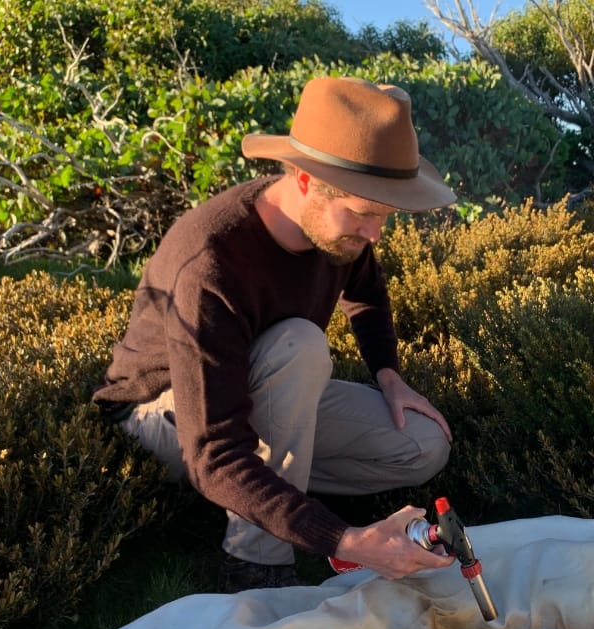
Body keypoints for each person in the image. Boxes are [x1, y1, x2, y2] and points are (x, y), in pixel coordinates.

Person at [93, 76, 457, 591]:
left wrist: (389, 376)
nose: (375, 233)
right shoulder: (213, 260)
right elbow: (214, 451)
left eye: (385, 216)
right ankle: (255, 562)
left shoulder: (340, 236)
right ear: (306, 180)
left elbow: (367, 295)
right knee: (300, 346)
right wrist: (348, 541)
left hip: (258, 401)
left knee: (423, 444)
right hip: (163, 423)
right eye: (363, 213)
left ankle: (271, 497)